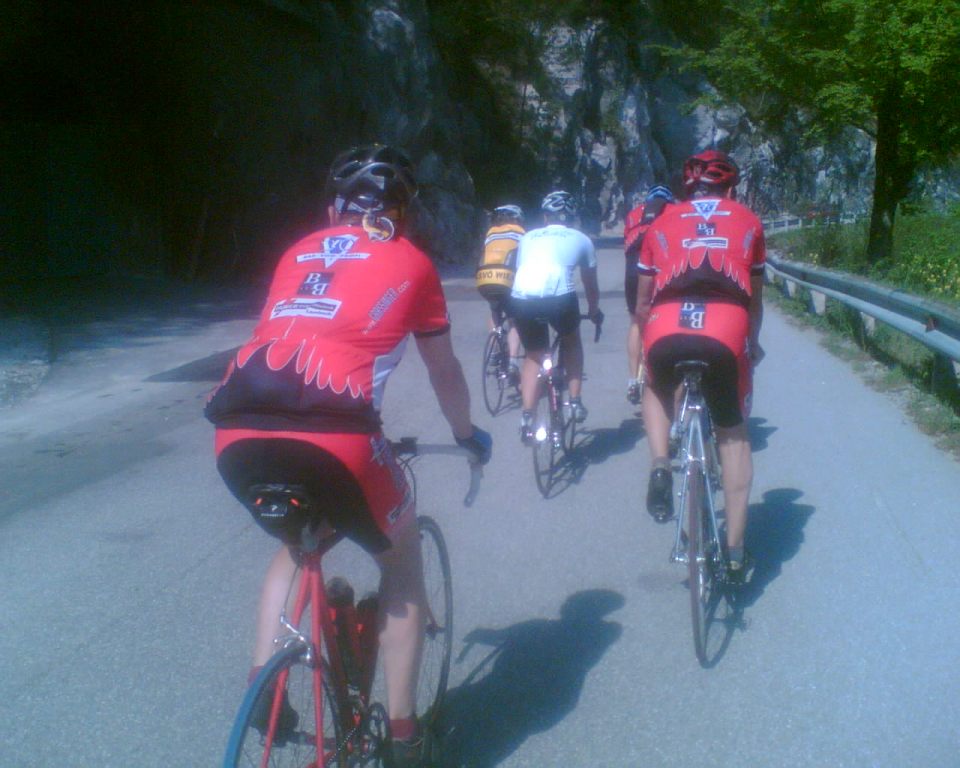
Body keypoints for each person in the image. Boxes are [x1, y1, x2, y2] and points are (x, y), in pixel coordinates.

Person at [204, 144, 492, 768]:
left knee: (296, 546)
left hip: (234, 427)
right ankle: (405, 736)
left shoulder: (297, 251)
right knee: (401, 556)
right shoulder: (412, 261)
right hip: (339, 433)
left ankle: (264, 687)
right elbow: (443, 372)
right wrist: (467, 434)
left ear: (334, 208)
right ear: (402, 211)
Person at [634, 150, 765, 581]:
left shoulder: (661, 221)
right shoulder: (749, 220)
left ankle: (660, 463)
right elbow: (755, 300)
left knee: (655, 386)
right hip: (726, 325)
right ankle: (735, 553)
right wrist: (753, 344)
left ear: (688, 187)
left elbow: (642, 302)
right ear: (730, 188)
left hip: (667, 321)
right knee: (732, 435)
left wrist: (646, 342)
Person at [509, 190, 601, 444]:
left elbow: (524, 269)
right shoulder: (581, 239)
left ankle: (527, 416)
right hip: (560, 297)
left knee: (533, 355)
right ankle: (575, 401)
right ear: (572, 217)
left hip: (522, 296)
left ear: (545, 217)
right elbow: (590, 285)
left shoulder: (527, 237)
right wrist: (593, 311)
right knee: (571, 341)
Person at [623, 185, 675, 405]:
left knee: (636, 322)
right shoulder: (676, 211)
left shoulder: (634, 214)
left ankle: (633, 379)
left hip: (633, 270)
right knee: (670, 317)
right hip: (659, 267)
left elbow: (626, 246)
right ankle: (666, 376)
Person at [476, 204, 525, 383]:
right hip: (506, 278)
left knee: (494, 310)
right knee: (514, 319)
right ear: (517, 219)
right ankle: (513, 361)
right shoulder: (521, 233)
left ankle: (495, 350)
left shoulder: (491, 233)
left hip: (484, 278)